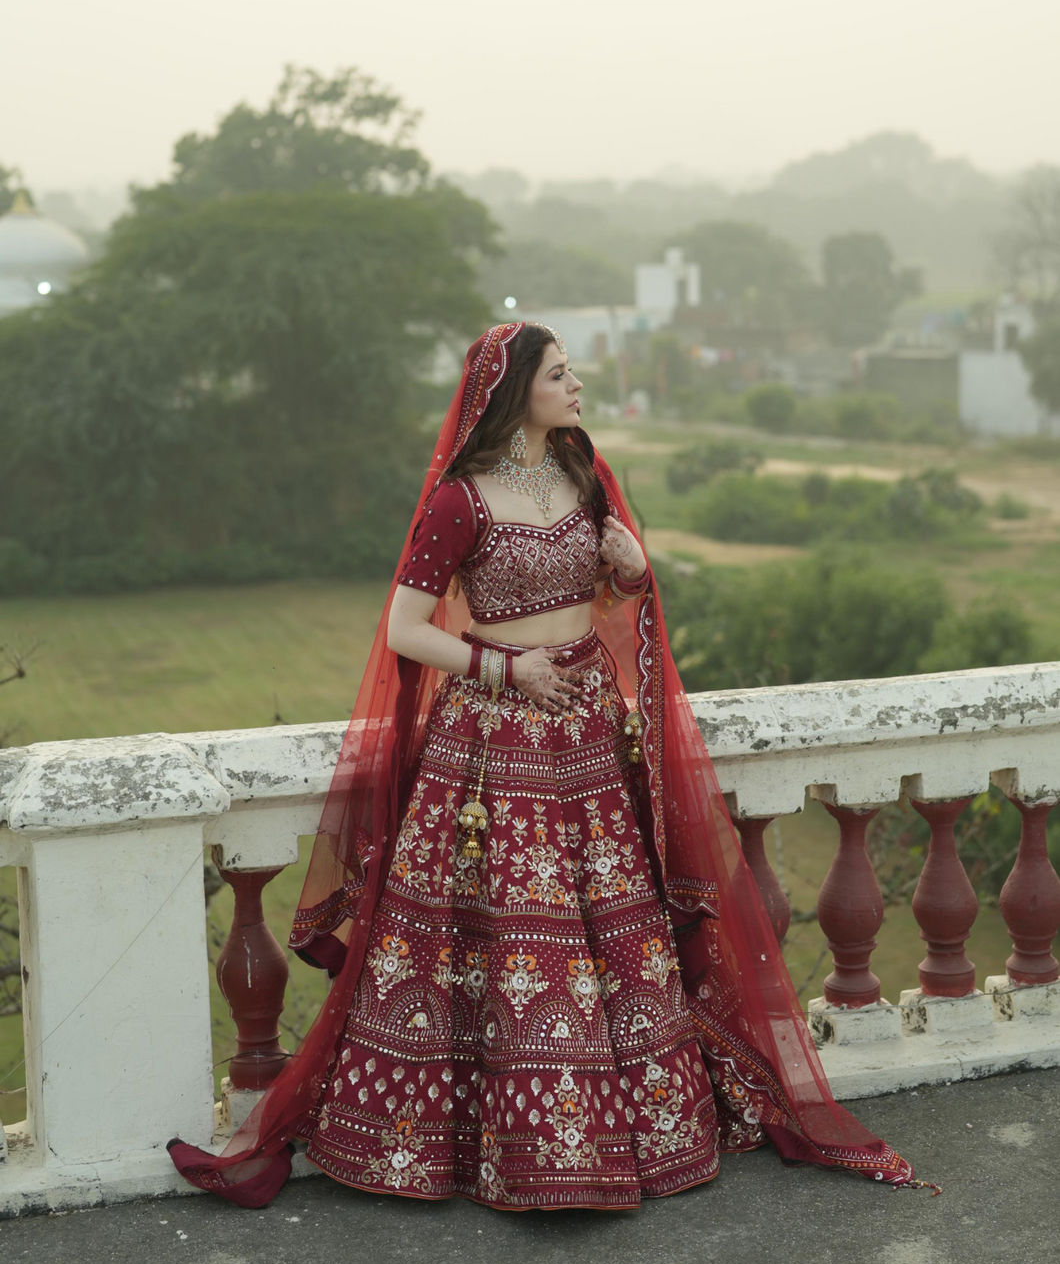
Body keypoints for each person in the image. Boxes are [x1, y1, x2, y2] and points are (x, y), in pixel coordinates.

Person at [170, 321, 929, 1209]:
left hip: (589, 734)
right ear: (517, 387)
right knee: (507, 944)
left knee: (608, 931)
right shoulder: (460, 499)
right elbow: (405, 629)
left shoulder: (580, 473)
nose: (579, 386)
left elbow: (614, 596)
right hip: (494, 741)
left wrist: (637, 570)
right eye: (561, 373)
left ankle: (624, 1135)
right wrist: (504, 668)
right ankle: (475, 1149)